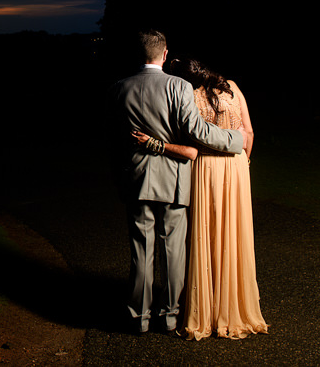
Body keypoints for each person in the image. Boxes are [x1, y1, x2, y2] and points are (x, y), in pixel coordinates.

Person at [106, 31, 247, 334]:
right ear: (165, 54)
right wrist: (235, 139)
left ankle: (138, 318)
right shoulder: (178, 86)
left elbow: (113, 142)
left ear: (138, 54)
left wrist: (121, 176)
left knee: (140, 252)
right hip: (172, 179)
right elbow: (198, 131)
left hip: (136, 180)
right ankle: (170, 316)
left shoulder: (119, 88)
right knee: (173, 252)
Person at [132, 57, 268, 340]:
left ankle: (205, 306)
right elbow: (249, 132)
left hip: (206, 168)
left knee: (206, 236)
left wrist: (156, 144)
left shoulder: (187, 95)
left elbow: (191, 148)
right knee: (234, 235)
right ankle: (236, 305)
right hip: (237, 166)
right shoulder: (231, 87)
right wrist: (245, 165)